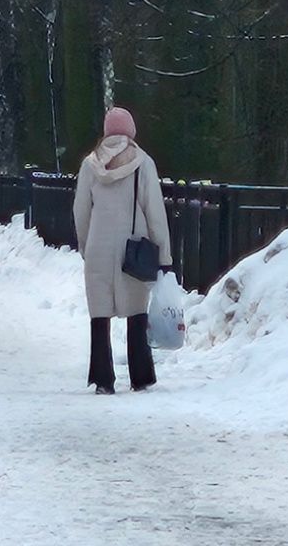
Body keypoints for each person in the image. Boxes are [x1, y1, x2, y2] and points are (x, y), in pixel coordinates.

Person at [72, 107, 172, 395]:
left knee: (99, 313)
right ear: (131, 131)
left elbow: (81, 210)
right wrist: (163, 254)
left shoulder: (90, 165)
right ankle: (141, 375)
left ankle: (103, 377)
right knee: (137, 310)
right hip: (134, 246)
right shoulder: (144, 163)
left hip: (98, 246)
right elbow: (154, 211)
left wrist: (85, 243)